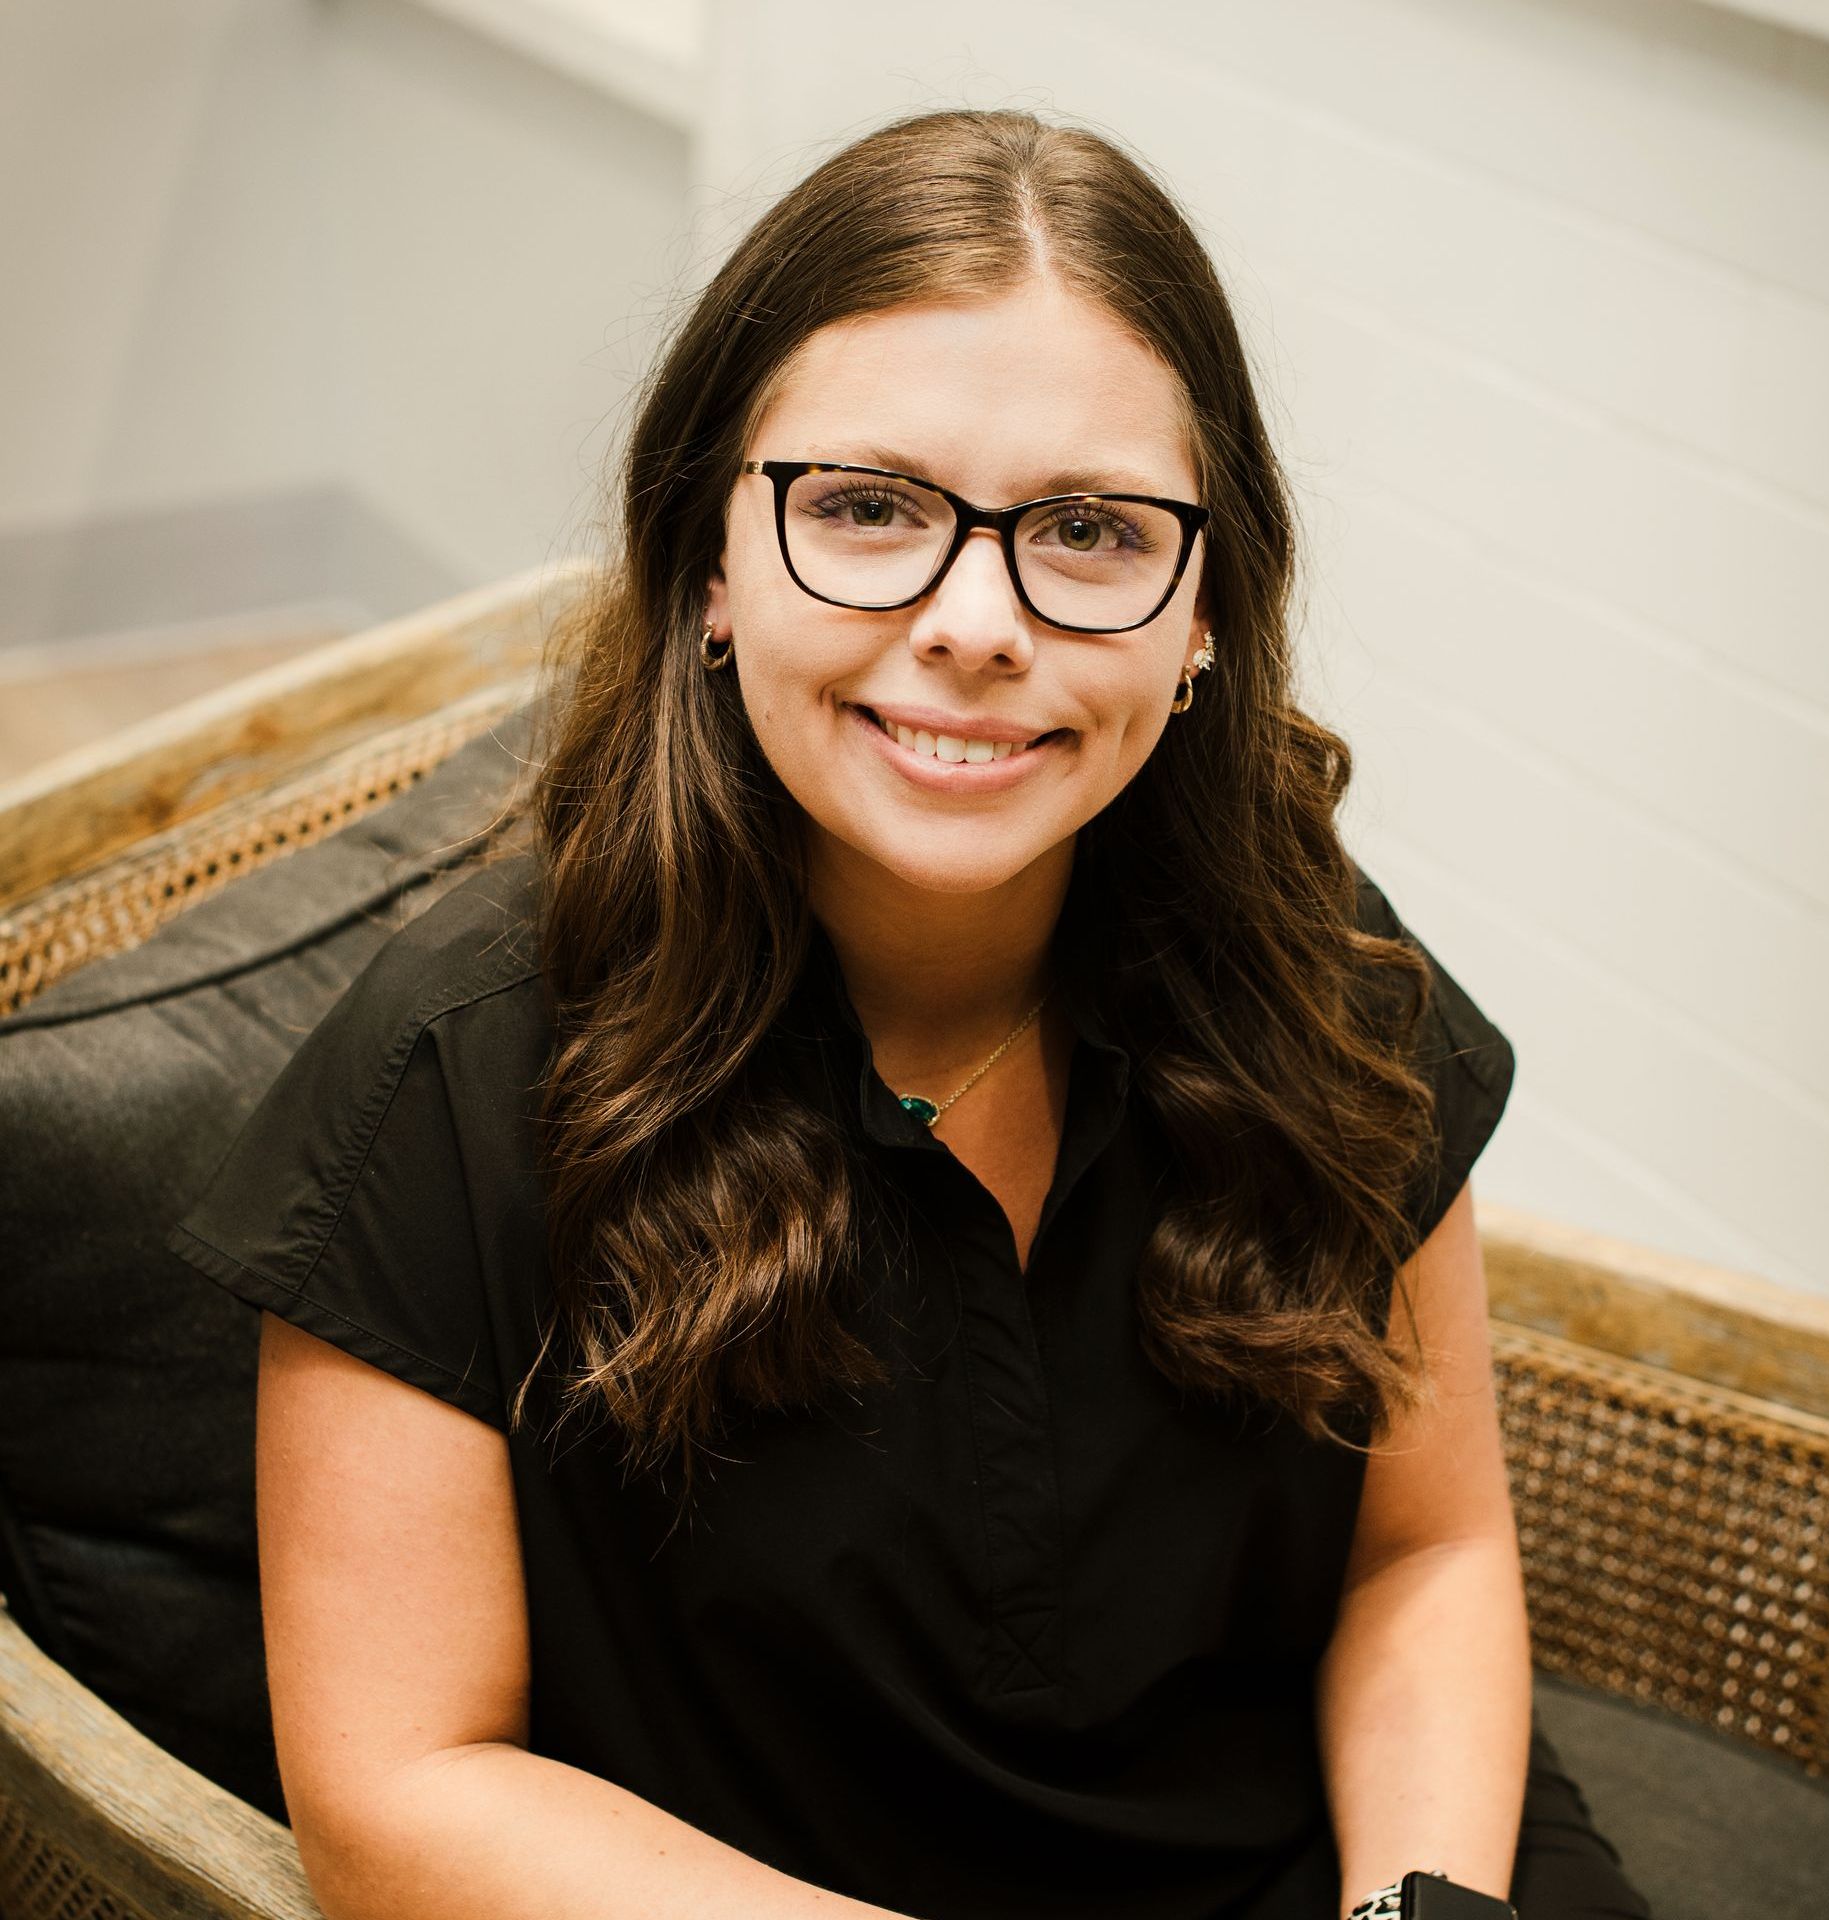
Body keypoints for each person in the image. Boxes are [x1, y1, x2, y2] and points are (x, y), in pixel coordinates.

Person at [167, 108, 1651, 1920]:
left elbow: (1419, 1556)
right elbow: (398, 1796)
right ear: (710, 559)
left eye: (1093, 529)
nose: (975, 621)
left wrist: (1411, 1912)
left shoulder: (1315, 967)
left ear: (1204, 612)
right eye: (867, 509)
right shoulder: (451, 1070)